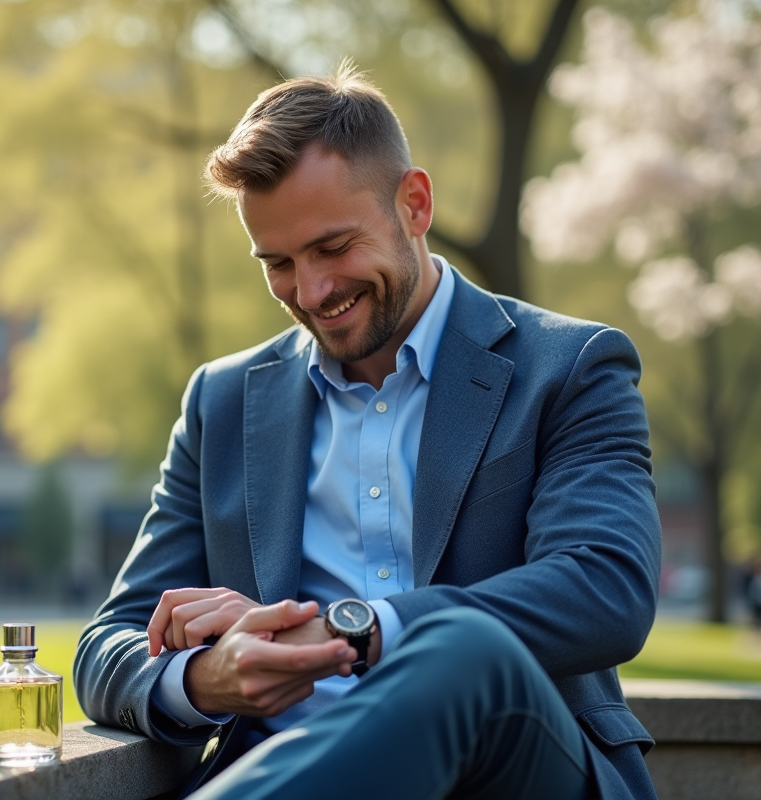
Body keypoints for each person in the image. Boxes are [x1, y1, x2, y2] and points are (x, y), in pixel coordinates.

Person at [74, 64, 661, 800]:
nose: (312, 291)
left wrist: (354, 630)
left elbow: (607, 588)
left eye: (332, 248)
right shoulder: (220, 403)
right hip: (284, 770)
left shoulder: (569, 367)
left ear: (414, 204)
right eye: (278, 263)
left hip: (512, 773)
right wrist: (207, 677)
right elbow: (107, 646)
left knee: (465, 649)